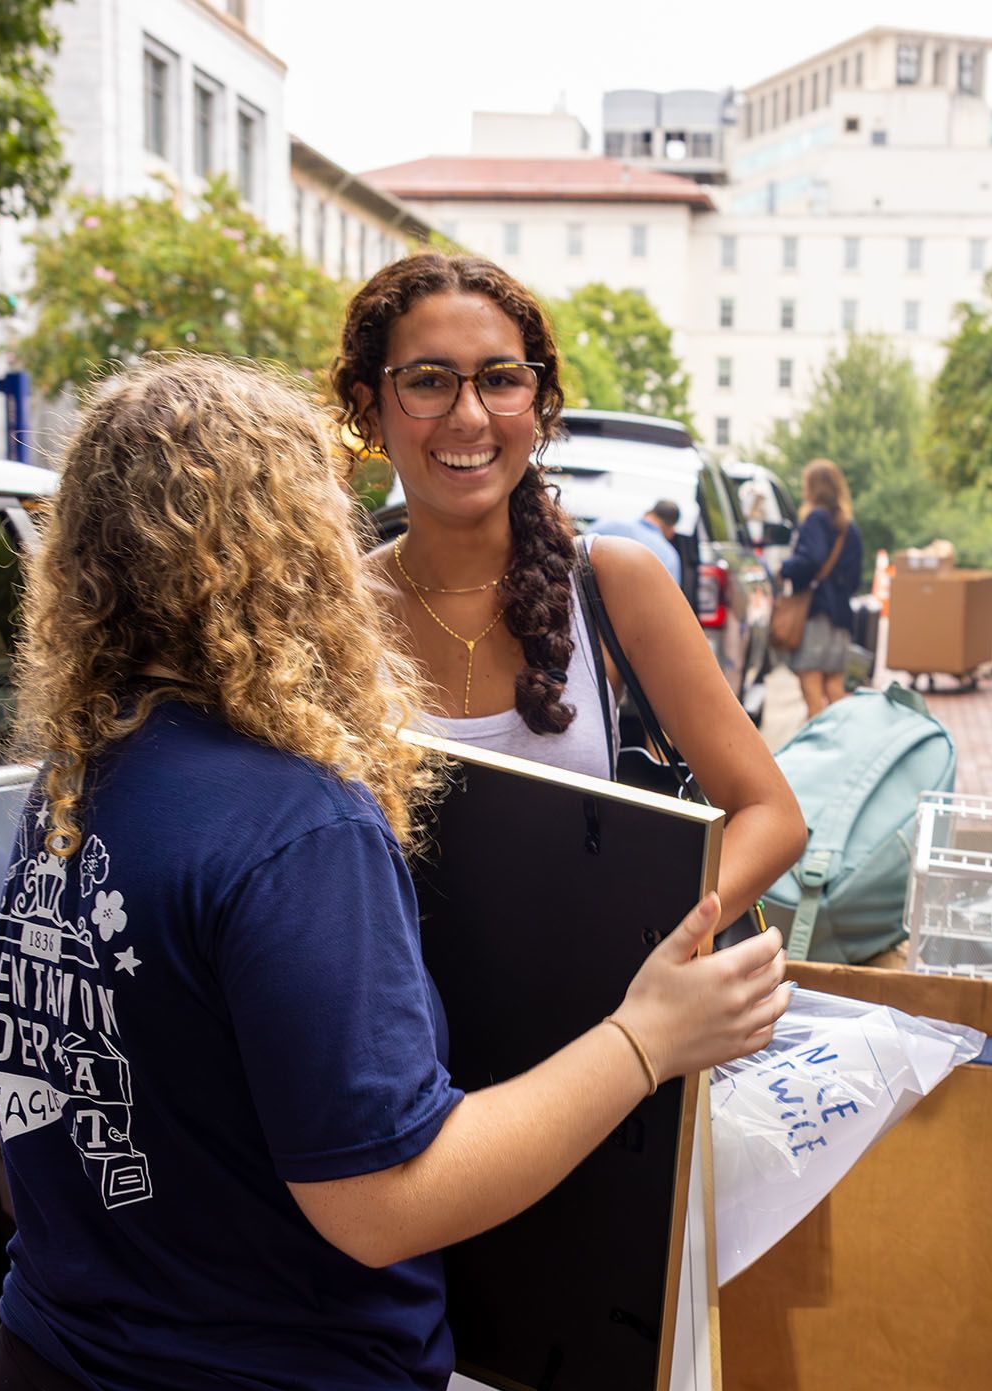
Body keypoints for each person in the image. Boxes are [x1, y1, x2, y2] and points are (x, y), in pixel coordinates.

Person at [0, 354, 789, 1391]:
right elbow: (384, 1200)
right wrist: (649, 1039)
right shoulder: (297, 822)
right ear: (292, 544)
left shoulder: (86, 764)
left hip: (48, 1375)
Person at [334, 253, 804, 923]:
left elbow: (771, 814)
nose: (469, 415)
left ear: (538, 405)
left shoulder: (614, 584)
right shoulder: (330, 610)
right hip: (381, 994)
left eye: (500, 379)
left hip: (599, 994)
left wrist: (651, 948)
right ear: (370, 410)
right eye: (428, 381)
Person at [778, 459, 863, 720]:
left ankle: (819, 740)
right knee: (835, 685)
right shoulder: (849, 527)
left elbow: (812, 559)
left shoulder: (815, 518)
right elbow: (855, 579)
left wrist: (785, 568)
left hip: (817, 613)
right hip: (841, 615)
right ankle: (845, 737)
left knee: (811, 684)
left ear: (812, 487)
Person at [591, 499, 684, 582]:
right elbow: (668, 595)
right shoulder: (669, 556)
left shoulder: (608, 525)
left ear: (648, 513)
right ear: (671, 530)